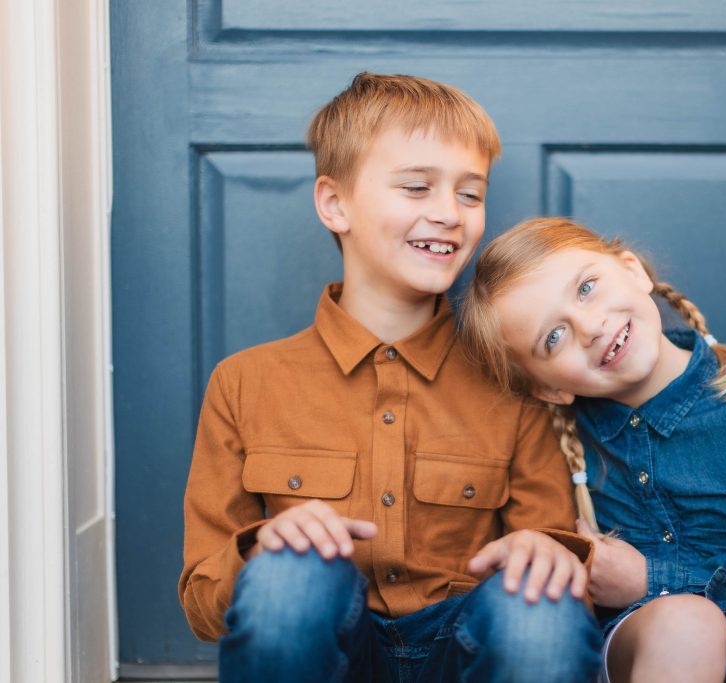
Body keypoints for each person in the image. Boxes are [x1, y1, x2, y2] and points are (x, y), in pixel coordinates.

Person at [178, 75, 601, 683]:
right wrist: (264, 548)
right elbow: (201, 606)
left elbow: (550, 554)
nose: (448, 214)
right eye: (415, 187)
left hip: (468, 650)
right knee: (290, 574)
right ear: (334, 204)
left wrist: (546, 553)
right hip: (333, 654)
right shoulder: (244, 383)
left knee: (539, 600)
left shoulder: (512, 379)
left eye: (471, 194)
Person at [460, 216, 726, 683]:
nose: (590, 327)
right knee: (686, 625)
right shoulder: (564, 438)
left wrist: (652, 578)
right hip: (651, 643)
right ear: (549, 389)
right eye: (553, 338)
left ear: (634, 270)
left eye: (586, 288)